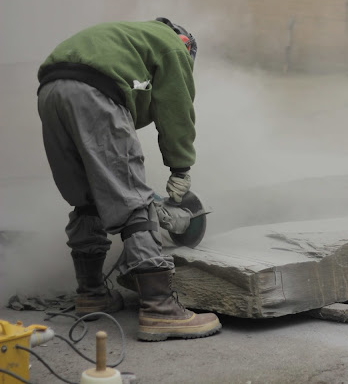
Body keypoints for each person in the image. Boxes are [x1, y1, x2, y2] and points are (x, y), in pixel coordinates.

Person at [36, 17, 221, 341]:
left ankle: (91, 294)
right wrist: (180, 168)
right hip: (94, 93)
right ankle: (160, 309)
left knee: (86, 200)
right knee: (134, 201)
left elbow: (139, 99)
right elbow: (175, 109)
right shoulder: (173, 46)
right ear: (187, 46)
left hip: (50, 92)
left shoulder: (130, 38)